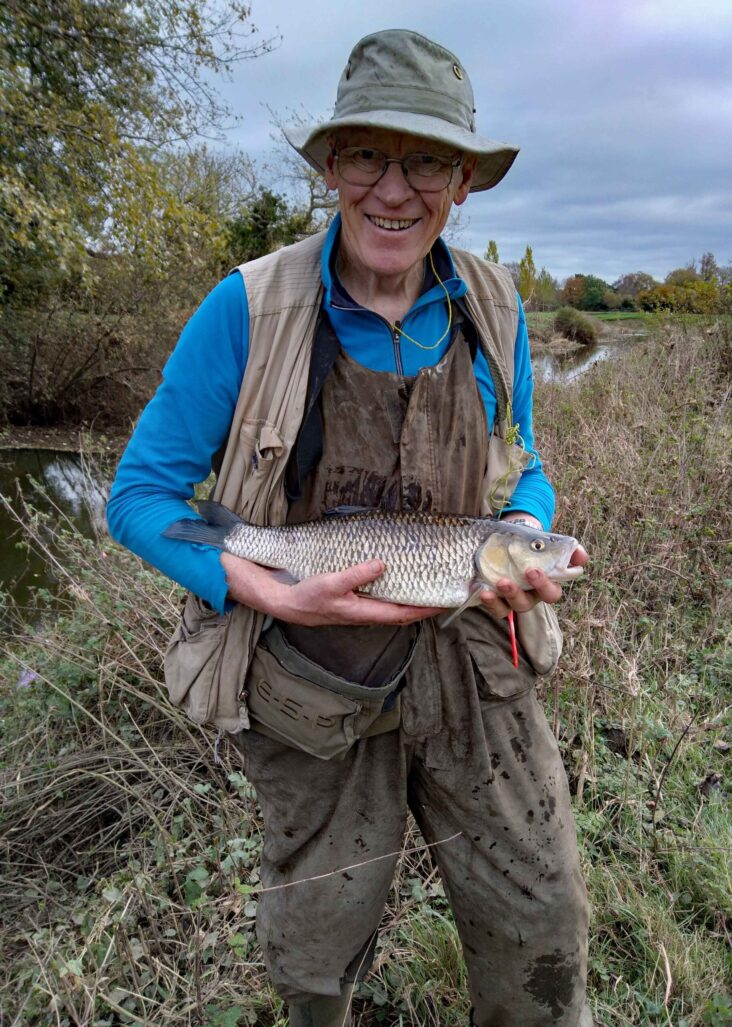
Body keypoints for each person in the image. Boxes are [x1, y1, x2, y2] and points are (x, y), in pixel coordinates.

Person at [107, 29, 592, 1027]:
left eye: (424, 160)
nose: (393, 189)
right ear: (331, 166)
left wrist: (525, 530)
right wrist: (270, 587)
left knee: (541, 921)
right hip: (310, 685)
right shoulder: (247, 308)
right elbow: (140, 500)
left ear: (463, 182)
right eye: (367, 154)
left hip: (471, 667)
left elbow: (524, 463)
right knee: (315, 958)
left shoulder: (493, 306)